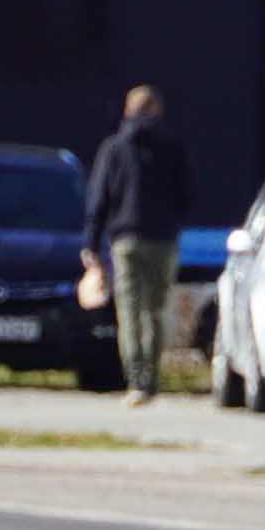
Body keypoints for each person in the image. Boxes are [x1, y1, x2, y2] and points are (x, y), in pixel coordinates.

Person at [81, 84, 192, 395]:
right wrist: (172, 222)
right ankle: (153, 378)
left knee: (128, 311)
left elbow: (99, 199)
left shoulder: (114, 149)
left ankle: (136, 379)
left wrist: (90, 243)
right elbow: (187, 195)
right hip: (163, 240)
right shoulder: (173, 148)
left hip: (125, 240)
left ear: (127, 111)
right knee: (156, 310)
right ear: (157, 110)